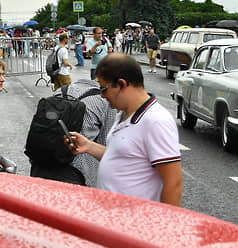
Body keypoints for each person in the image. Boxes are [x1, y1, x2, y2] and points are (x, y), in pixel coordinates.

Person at [64, 54, 182, 206]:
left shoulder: (156, 120)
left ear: (121, 84)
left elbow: (173, 183)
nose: (101, 95)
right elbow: (124, 157)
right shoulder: (123, 114)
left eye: (104, 89)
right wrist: (89, 146)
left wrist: (163, 225)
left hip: (136, 222)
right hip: (113, 218)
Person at [62, 79, 117, 188]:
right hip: (79, 172)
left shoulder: (62, 90)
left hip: (45, 162)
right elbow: (105, 143)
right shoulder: (105, 100)